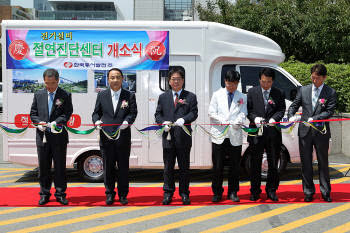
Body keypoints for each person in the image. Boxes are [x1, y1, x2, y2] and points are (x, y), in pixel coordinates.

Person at [288, 64, 336, 202]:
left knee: (323, 162)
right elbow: (294, 105)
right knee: (306, 163)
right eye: (313, 78)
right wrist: (292, 115)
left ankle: (325, 192)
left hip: (321, 132)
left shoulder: (330, 92)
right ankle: (308, 191)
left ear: (324, 77)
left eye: (317, 78)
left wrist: (315, 118)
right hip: (305, 132)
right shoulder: (303, 90)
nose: (314, 81)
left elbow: (329, 111)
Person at [92, 68, 138, 205]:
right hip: (106, 138)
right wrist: (96, 121)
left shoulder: (129, 95)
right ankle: (109, 194)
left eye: (118, 77)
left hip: (123, 137)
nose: (115, 80)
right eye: (112, 77)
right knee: (108, 167)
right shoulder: (102, 95)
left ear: (122, 79)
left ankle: (123, 195)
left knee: (123, 168)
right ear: (108, 79)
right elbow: (96, 113)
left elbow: (133, 112)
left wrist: (127, 121)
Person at [155, 67, 198, 205]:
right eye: (173, 79)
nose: (176, 82)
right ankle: (168, 193)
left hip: (183, 138)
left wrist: (184, 120)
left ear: (183, 80)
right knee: (168, 167)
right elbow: (158, 114)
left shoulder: (190, 96)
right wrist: (163, 122)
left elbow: (194, 113)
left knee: (184, 168)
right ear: (169, 81)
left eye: (179, 79)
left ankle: (184, 193)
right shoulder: (163, 97)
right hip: (168, 137)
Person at [30, 68, 73, 205]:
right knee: (43, 167)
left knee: (60, 167)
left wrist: (56, 122)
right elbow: (33, 113)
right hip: (42, 136)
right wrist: (38, 123)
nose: (50, 87)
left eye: (52, 83)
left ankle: (60, 194)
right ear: (44, 81)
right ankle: (44, 193)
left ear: (58, 80)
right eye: (47, 84)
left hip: (58, 136)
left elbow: (67, 113)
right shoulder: (38, 94)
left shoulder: (65, 94)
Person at [247, 68, 286, 202]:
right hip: (256, 133)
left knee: (273, 163)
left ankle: (271, 190)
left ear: (272, 81)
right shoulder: (252, 92)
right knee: (255, 163)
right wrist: (255, 119)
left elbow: (281, 109)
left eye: (269, 82)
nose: (266, 84)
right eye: (263, 81)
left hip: (273, 133)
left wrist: (275, 118)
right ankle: (255, 191)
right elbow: (248, 110)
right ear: (259, 80)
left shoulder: (279, 93)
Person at [208, 70, 247, 203]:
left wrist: (239, 120)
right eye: (230, 83)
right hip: (219, 134)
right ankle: (217, 192)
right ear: (225, 81)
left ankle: (233, 191)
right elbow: (211, 112)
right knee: (218, 165)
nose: (232, 87)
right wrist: (222, 120)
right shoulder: (217, 95)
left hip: (235, 134)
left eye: (235, 84)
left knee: (235, 166)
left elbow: (243, 113)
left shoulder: (242, 96)